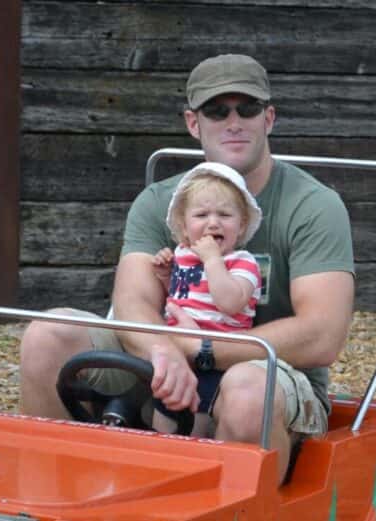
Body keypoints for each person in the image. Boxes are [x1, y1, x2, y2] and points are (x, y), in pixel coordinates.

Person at [20, 53, 355, 484]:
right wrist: (161, 350)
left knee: (247, 392)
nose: (233, 121)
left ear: (268, 118)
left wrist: (200, 349)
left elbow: (322, 335)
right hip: (167, 355)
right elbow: (132, 299)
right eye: (217, 111)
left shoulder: (313, 206)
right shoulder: (161, 202)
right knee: (46, 336)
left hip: (269, 375)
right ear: (193, 123)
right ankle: (56, 504)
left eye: (247, 108)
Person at [150, 161, 263, 436]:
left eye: (225, 214)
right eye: (201, 215)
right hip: (175, 356)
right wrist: (166, 276)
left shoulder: (243, 263)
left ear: (242, 224)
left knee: (197, 427)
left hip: (215, 361)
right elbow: (181, 297)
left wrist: (212, 259)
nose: (213, 222)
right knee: (162, 419)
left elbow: (230, 302)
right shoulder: (182, 255)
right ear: (184, 227)